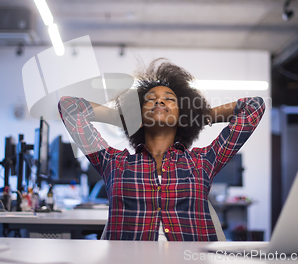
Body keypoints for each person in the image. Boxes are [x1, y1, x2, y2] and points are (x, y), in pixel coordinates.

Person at [58, 59, 265, 241]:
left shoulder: (202, 162)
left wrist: (200, 116)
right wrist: (121, 117)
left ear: (182, 116)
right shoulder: (114, 163)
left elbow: (254, 107)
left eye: (169, 99)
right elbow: (69, 107)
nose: (159, 100)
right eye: (149, 100)